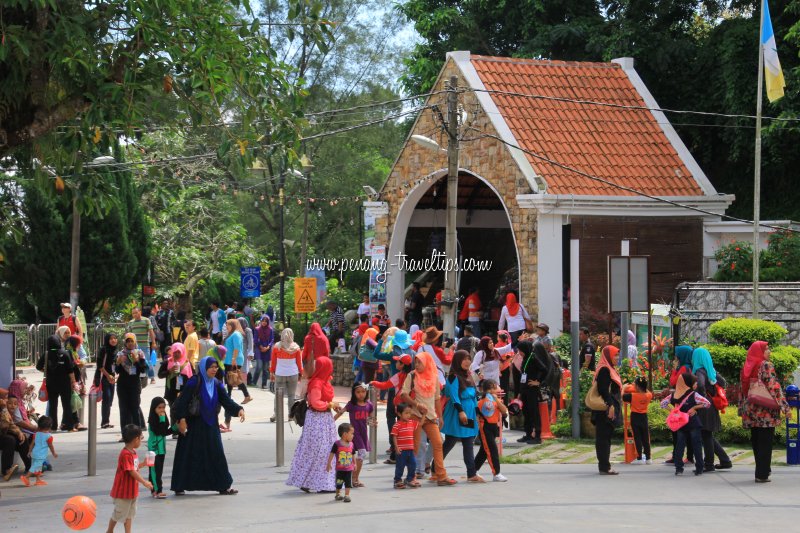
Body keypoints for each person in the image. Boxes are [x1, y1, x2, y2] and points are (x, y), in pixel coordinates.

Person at [171, 357, 245, 495]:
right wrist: (181, 419)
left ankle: (224, 485)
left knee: (216, 454)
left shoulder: (217, 384)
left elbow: (226, 401)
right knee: (189, 455)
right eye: (211, 367)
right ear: (204, 368)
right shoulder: (194, 382)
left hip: (211, 425)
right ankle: (180, 485)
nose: (214, 369)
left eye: (216, 367)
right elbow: (181, 402)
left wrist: (238, 409)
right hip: (193, 426)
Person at [399, 350, 455, 486]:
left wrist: (440, 417)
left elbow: (436, 399)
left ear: (427, 363)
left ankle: (441, 476)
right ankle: (411, 476)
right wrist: (417, 405)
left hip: (430, 416)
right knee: (415, 446)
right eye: (416, 362)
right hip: (415, 415)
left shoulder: (434, 378)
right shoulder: (412, 376)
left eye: (420, 362)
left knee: (438, 443)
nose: (417, 365)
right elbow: (403, 394)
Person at [739, 340, 791, 483]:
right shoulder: (766, 365)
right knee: (765, 443)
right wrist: (785, 407)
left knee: (756, 442)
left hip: (751, 412)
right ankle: (762, 474)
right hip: (765, 412)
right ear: (760, 351)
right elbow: (774, 387)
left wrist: (741, 410)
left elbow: (741, 391)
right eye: (766, 349)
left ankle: (761, 471)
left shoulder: (747, 366)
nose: (769, 352)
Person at [286, 356, 338, 493]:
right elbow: (316, 402)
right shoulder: (317, 383)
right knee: (319, 450)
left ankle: (320, 481)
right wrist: (330, 404)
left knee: (325, 450)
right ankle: (313, 481)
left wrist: (331, 405)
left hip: (324, 419)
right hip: (317, 419)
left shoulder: (324, 381)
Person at [438, 349, 483, 482]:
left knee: (468, 442)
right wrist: (460, 411)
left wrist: (477, 413)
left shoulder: (469, 376)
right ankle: (436, 468)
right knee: (450, 442)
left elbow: (474, 396)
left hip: (469, 414)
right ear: (458, 360)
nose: (467, 362)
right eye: (464, 359)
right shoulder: (453, 376)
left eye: (469, 359)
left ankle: (471, 474)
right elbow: (453, 396)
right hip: (457, 413)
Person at [692, 347, 732, 472]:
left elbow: (701, 385)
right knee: (708, 434)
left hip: (704, 407)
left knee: (706, 435)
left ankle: (708, 464)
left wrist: (701, 397)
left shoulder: (699, 371)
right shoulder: (711, 370)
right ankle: (725, 461)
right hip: (712, 406)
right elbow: (723, 382)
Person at [107, 424, 153, 533]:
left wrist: (143, 464)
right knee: (119, 513)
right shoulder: (126, 454)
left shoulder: (133, 453)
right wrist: (144, 482)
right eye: (141, 438)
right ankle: (109, 531)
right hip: (123, 492)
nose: (141, 441)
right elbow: (131, 471)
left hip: (131, 491)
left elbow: (134, 467)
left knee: (129, 514)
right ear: (136, 439)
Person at [661, 372, 709, 476]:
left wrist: (672, 410)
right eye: (694, 382)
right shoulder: (693, 394)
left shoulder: (673, 395)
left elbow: (663, 403)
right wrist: (694, 407)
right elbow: (707, 403)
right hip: (693, 422)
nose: (696, 385)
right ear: (688, 383)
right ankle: (699, 468)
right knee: (696, 445)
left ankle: (679, 469)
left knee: (680, 445)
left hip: (680, 424)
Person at [334, 383, 374, 488]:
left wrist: (373, 423)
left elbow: (370, 419)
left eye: (363, 392)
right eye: (358, 392)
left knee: (359, 455)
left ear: (366, 392)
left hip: (363, 433)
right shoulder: (351, 404)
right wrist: (331, 420)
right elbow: (341, 412)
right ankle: (354, 478)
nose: (361, 394)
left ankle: (354, 477)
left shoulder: (369, 405)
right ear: (354, 393)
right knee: (362, 453)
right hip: (353, 434)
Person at [592, 345, 622, 475]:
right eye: (615, 355)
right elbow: (603, 389)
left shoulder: (609, 368)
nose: (617, 357)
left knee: (605, 437)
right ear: (608, 356)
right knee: (603, 438)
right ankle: (604, 467)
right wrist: (610, 406)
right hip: (604, 409)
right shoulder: (605, 369)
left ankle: (605, 465)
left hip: (607, 407)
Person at [45, 325, 77, 432]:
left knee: (53, 405)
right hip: (64, 383)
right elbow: (70, 370)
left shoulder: (46, 354)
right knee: (66, 405)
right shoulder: (65, 353)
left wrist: (48, 370)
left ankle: (52, 426)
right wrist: (73, 382)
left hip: (51, 383)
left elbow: (39, 367)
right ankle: (69, 426)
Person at [116, 333, 148, 440]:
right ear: (125, 342)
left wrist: (137, 360)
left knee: (135, 409)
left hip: (134, 384)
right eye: (128, 341)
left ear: (135, 342)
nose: (130, 343)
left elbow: (143, 369)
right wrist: (118, 363)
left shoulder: (139, 353)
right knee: (123, 410)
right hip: (122, 385)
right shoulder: (121, 354)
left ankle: (138, 433)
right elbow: (116, 371)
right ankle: (124, 434)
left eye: (131, 341)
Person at [475, 379, 508, 481]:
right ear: (491, 387)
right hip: (485, 427)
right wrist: (490, 399)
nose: (498, 388)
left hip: (494, 426)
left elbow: (504, 411)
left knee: (484, 451)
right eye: (496, 386)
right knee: (492, 449)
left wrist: (497, 400)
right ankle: (496, 473)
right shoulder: (483, 400)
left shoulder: (495, 399)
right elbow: (484, 410)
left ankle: (472, 470)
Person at [667, 345, 695, 465]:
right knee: (687, 432)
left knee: (678, 430)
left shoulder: (683, 368)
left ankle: (677, 456)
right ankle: (688, 456)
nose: (676, 358)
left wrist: (674, 369)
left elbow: (673, 382)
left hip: (681, 403)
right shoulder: (690, 367)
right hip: (688, 402)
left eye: (677, 356)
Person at [515, 340, 547, 444]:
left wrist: (538, 382)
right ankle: (528, 434)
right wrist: (520, 392)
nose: (519, 352)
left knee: (534, 412)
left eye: (520, 350)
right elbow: (523, 375)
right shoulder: (525, 358)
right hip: (525, 389)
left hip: (532, 389)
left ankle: (538, 435)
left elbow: (544, 369)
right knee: (526, 412)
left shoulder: (533, 357)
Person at [270, 328, 303, 423]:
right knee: (291, 395)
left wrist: (272, 372)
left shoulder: (277, 347)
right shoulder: (296, 347)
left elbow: (274, 362)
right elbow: (299, 363)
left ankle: (277, 414)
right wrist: (301, 373)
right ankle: (291, 415)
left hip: (280, 373)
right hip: (293, 374)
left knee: (278, 395)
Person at [223, 319, 252, 413]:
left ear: (233, 325)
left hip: (233, 359)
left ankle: (246, 395)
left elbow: (236, 348)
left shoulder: (236, 334)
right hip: (230, 359)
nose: (226, 327)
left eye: (228, 325)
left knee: (234, 377)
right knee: (230, 378)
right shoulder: (233, 333)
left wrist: (233, 359)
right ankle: (229, 395)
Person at [622, 377, 653, 464]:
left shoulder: (633, 396)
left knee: (637, 437)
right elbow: (645, 390)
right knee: (646, 438)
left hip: (635, 417)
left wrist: (624, 388)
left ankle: (639, 458)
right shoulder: (649, 395)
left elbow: (622, 396)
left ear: (638, 387)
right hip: (644, 417)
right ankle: (648, 458)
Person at [19, 415, 56, 486]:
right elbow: (50, 446)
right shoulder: (49, 437)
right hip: (41, 455)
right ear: (50, 426)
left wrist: (29, 451)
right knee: (35, 467)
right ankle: (26, 477)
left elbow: (32, 444)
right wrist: (54, 453)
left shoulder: (36, 434)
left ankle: (38, 480)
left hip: (34, 453)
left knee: (38, 467)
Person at [390, 404, 420, 489]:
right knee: (400, 466)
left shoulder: (412, 423)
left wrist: (424, 414)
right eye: (406, 413)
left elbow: (420, 423)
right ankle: (397, 480)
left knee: (413, 465)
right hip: (401, 450)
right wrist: (396, 447)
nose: (408, 415)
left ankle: (409, 479)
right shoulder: (397, 425)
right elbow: (394, 436)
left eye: (410, 413)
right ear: (399, 414)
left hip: (410, 450)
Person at [147, 397, 171, 499]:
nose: (162, 410)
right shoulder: (152, 421)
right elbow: (159, 431)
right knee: (153, 471)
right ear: (154, 408)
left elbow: (164, 432)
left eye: (163, 407)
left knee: (159, 470)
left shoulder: (163, 419)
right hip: (153, 450)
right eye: (159, 408)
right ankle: (157, 490)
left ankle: (154, 489)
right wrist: (162, 418)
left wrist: (175, 428)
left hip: (161, 450)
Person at [326, 423, 355, 503]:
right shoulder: (337, 444)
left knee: (348, 483)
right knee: (339, 482)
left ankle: (347, 495)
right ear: (345, 434)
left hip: (349, 469)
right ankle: (338, 493)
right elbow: (332, 453)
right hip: (340, 469)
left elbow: (353, 454)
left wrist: (354, 463)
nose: (353, 435)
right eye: (352, 433)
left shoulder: (351, 444)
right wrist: (328, 464)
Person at [94, 333, 118, 429]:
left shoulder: (115, 351)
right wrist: (108, 376)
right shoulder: (103, 349)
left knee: (110, 400)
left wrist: (115, 376)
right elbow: (100, 366)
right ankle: (105, 422)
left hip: (112, 378)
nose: (113, 340)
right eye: (111, 339)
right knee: (106, 399)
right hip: (103, 377)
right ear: (107, 340)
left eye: (115, 338)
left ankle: (106, 421)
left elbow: (115, 366)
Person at [1, 396, 28, 481]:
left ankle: (30, 467)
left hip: (2, 434)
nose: (12, 406)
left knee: (22, 437)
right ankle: (6, 471)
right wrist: (4, 409)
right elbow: (4, 425)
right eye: (8, 403)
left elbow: (11, 425)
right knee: (10, 440)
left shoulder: (5, 411)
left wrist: (19, 432)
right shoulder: (3, 410)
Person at [164, 343, 193, 412]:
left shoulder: (187, 363)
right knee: (173, 414)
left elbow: (192, 378)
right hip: (171, 393)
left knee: (183, 414)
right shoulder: (168, 362)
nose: (176, 354)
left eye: (178, 352)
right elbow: (160, 375)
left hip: (184, 393)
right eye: (174, 352)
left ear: (182, 352)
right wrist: (169, 371)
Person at [253, 315, 274, 389]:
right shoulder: (257, 329)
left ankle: (264, 384)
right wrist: (261, 347)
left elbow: (272, 339)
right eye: (263, 321)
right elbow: (255, 340)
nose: (264, 322)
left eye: (266, 321)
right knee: (259, 366)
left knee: (265, 368)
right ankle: (253, 382)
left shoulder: (270, 329)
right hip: (259, 349)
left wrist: (268, 347)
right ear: (261, 321)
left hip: (267, 350)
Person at [237, 317, 254, 386]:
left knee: (244, 367)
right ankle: (239, 383)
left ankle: (243, 383)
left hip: (245, 351)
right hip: (239, 350)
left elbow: (250, 342)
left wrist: (250, 353)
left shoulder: (248, 330)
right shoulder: (238, 330)